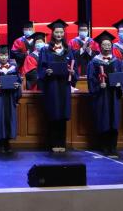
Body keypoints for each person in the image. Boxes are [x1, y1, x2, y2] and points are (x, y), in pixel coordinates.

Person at [38, 19, 74, 153]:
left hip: (64, 86)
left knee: (63, 114)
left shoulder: (68, 50)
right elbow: (40, 68)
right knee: (53, 113)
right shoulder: (45, 50)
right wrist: (46, 72)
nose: (59, 34)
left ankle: (61, 143)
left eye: (61, 32)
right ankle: (53, 143)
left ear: (64, 33)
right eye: (57, 32)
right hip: (52, 86)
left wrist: (72, 73)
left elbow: (73, 66)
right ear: (52, 33)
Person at [86, 31, 123, 158]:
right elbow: (91, 79)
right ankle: (105, 146)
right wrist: (98, 85)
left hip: (114, 95)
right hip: (102, 96)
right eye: (104, 45)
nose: (107, 47)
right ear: (100, 46)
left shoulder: (117, 62)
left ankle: (113, 146)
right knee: (104, 119)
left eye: (109, 45)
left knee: (114, 119)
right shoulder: (94, 62)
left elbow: (121, 77)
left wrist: (120, 85)